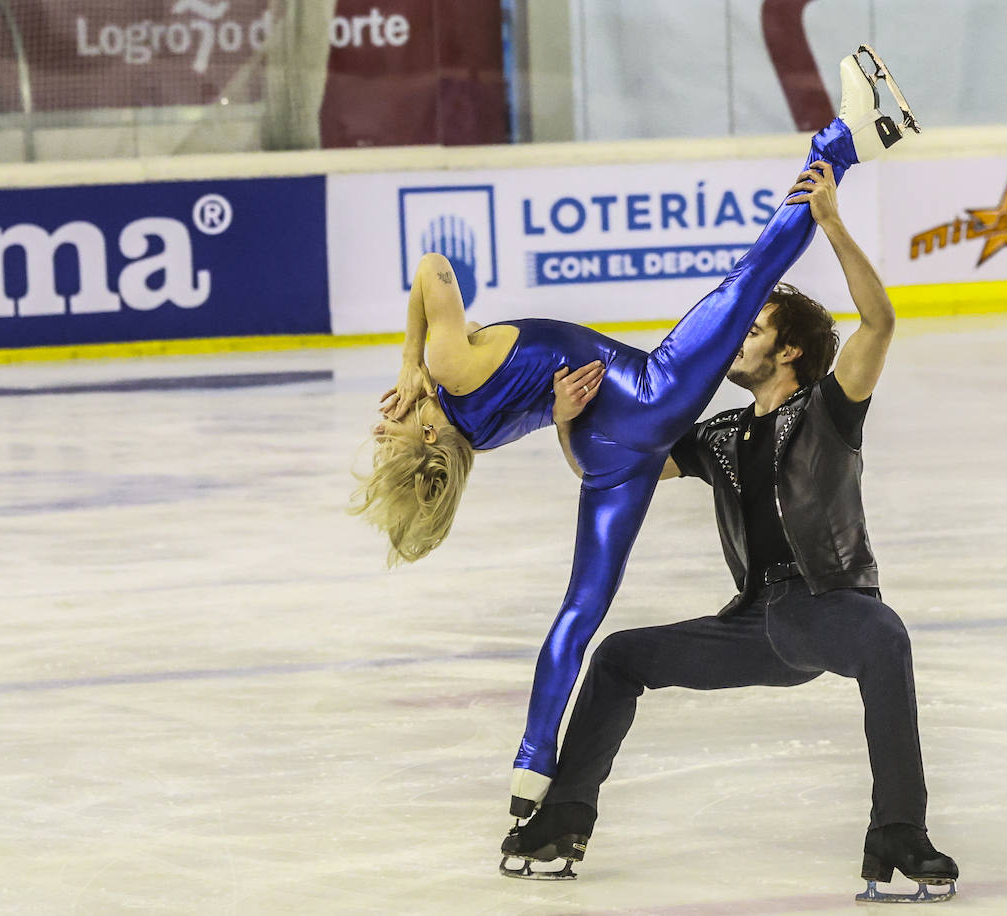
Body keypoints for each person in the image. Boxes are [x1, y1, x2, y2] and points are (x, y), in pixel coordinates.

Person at [352, 51, 917, 818]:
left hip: (606, 456)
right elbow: (431, 268)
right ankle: (841, 141)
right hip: (648, 397)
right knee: (749, 277)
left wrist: (555, 419)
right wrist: (412, 360)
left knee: (580, 613)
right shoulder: (448, 368)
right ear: (426, 432)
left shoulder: (472, 433)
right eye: (389, 431)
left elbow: (516, 381)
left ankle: (532, 768)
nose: (385, 415)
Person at [498, 105, 959, 903]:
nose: (735, 337)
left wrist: (831, 223)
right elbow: (611, 474)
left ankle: (897, 833)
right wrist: (567, 425)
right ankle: (562, 818)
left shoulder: (828, 408)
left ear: (789, 351)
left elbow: (879, 322)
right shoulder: (717, 437)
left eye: (754, 329)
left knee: (885, 638)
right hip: (755, 625)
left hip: (828, 605)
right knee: (618, 658)